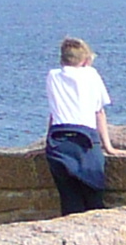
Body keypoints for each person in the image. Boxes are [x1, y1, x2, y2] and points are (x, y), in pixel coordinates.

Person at [44, 37, 112, 216]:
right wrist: (108, 147)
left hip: (58, 140)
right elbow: (99, 112)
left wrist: (47, 140)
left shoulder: (52, 76)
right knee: (94, 200)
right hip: (85, 139)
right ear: (85, 60)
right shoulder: (91, 74)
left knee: (69, 202)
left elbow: (54, 112)